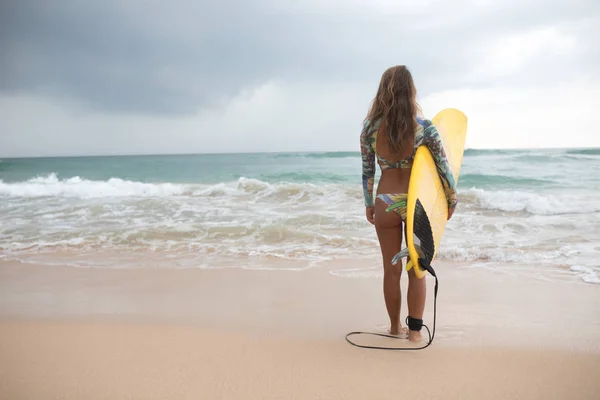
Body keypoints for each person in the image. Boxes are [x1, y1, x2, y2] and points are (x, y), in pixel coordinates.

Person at [360, 65, 457, 342]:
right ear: (410, 91)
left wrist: (369, 203)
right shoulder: (423, 128)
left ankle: (393, 328)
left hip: (385, 199)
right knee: (418, 267)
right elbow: (443, 168)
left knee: (390, 270)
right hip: (417, 203)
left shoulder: (369, 128)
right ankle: (414, 333)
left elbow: (367, 171)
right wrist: (451, 199)